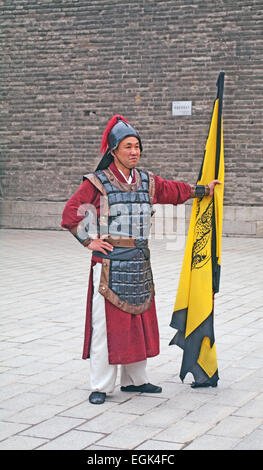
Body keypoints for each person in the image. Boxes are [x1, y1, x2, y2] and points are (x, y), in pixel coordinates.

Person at [61, 115, 220, 404]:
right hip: (109, 264)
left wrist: (204, 190)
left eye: (137, 146)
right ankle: (100, 386)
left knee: (135, 322)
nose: (134, 151)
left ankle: (136, 380)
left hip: (139, 262)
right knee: (105, 328)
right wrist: (89, 240)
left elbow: (174, 191)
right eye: (128, 146)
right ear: (114, 151)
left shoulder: (146, 180)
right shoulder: (97, 183)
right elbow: (71, 212)